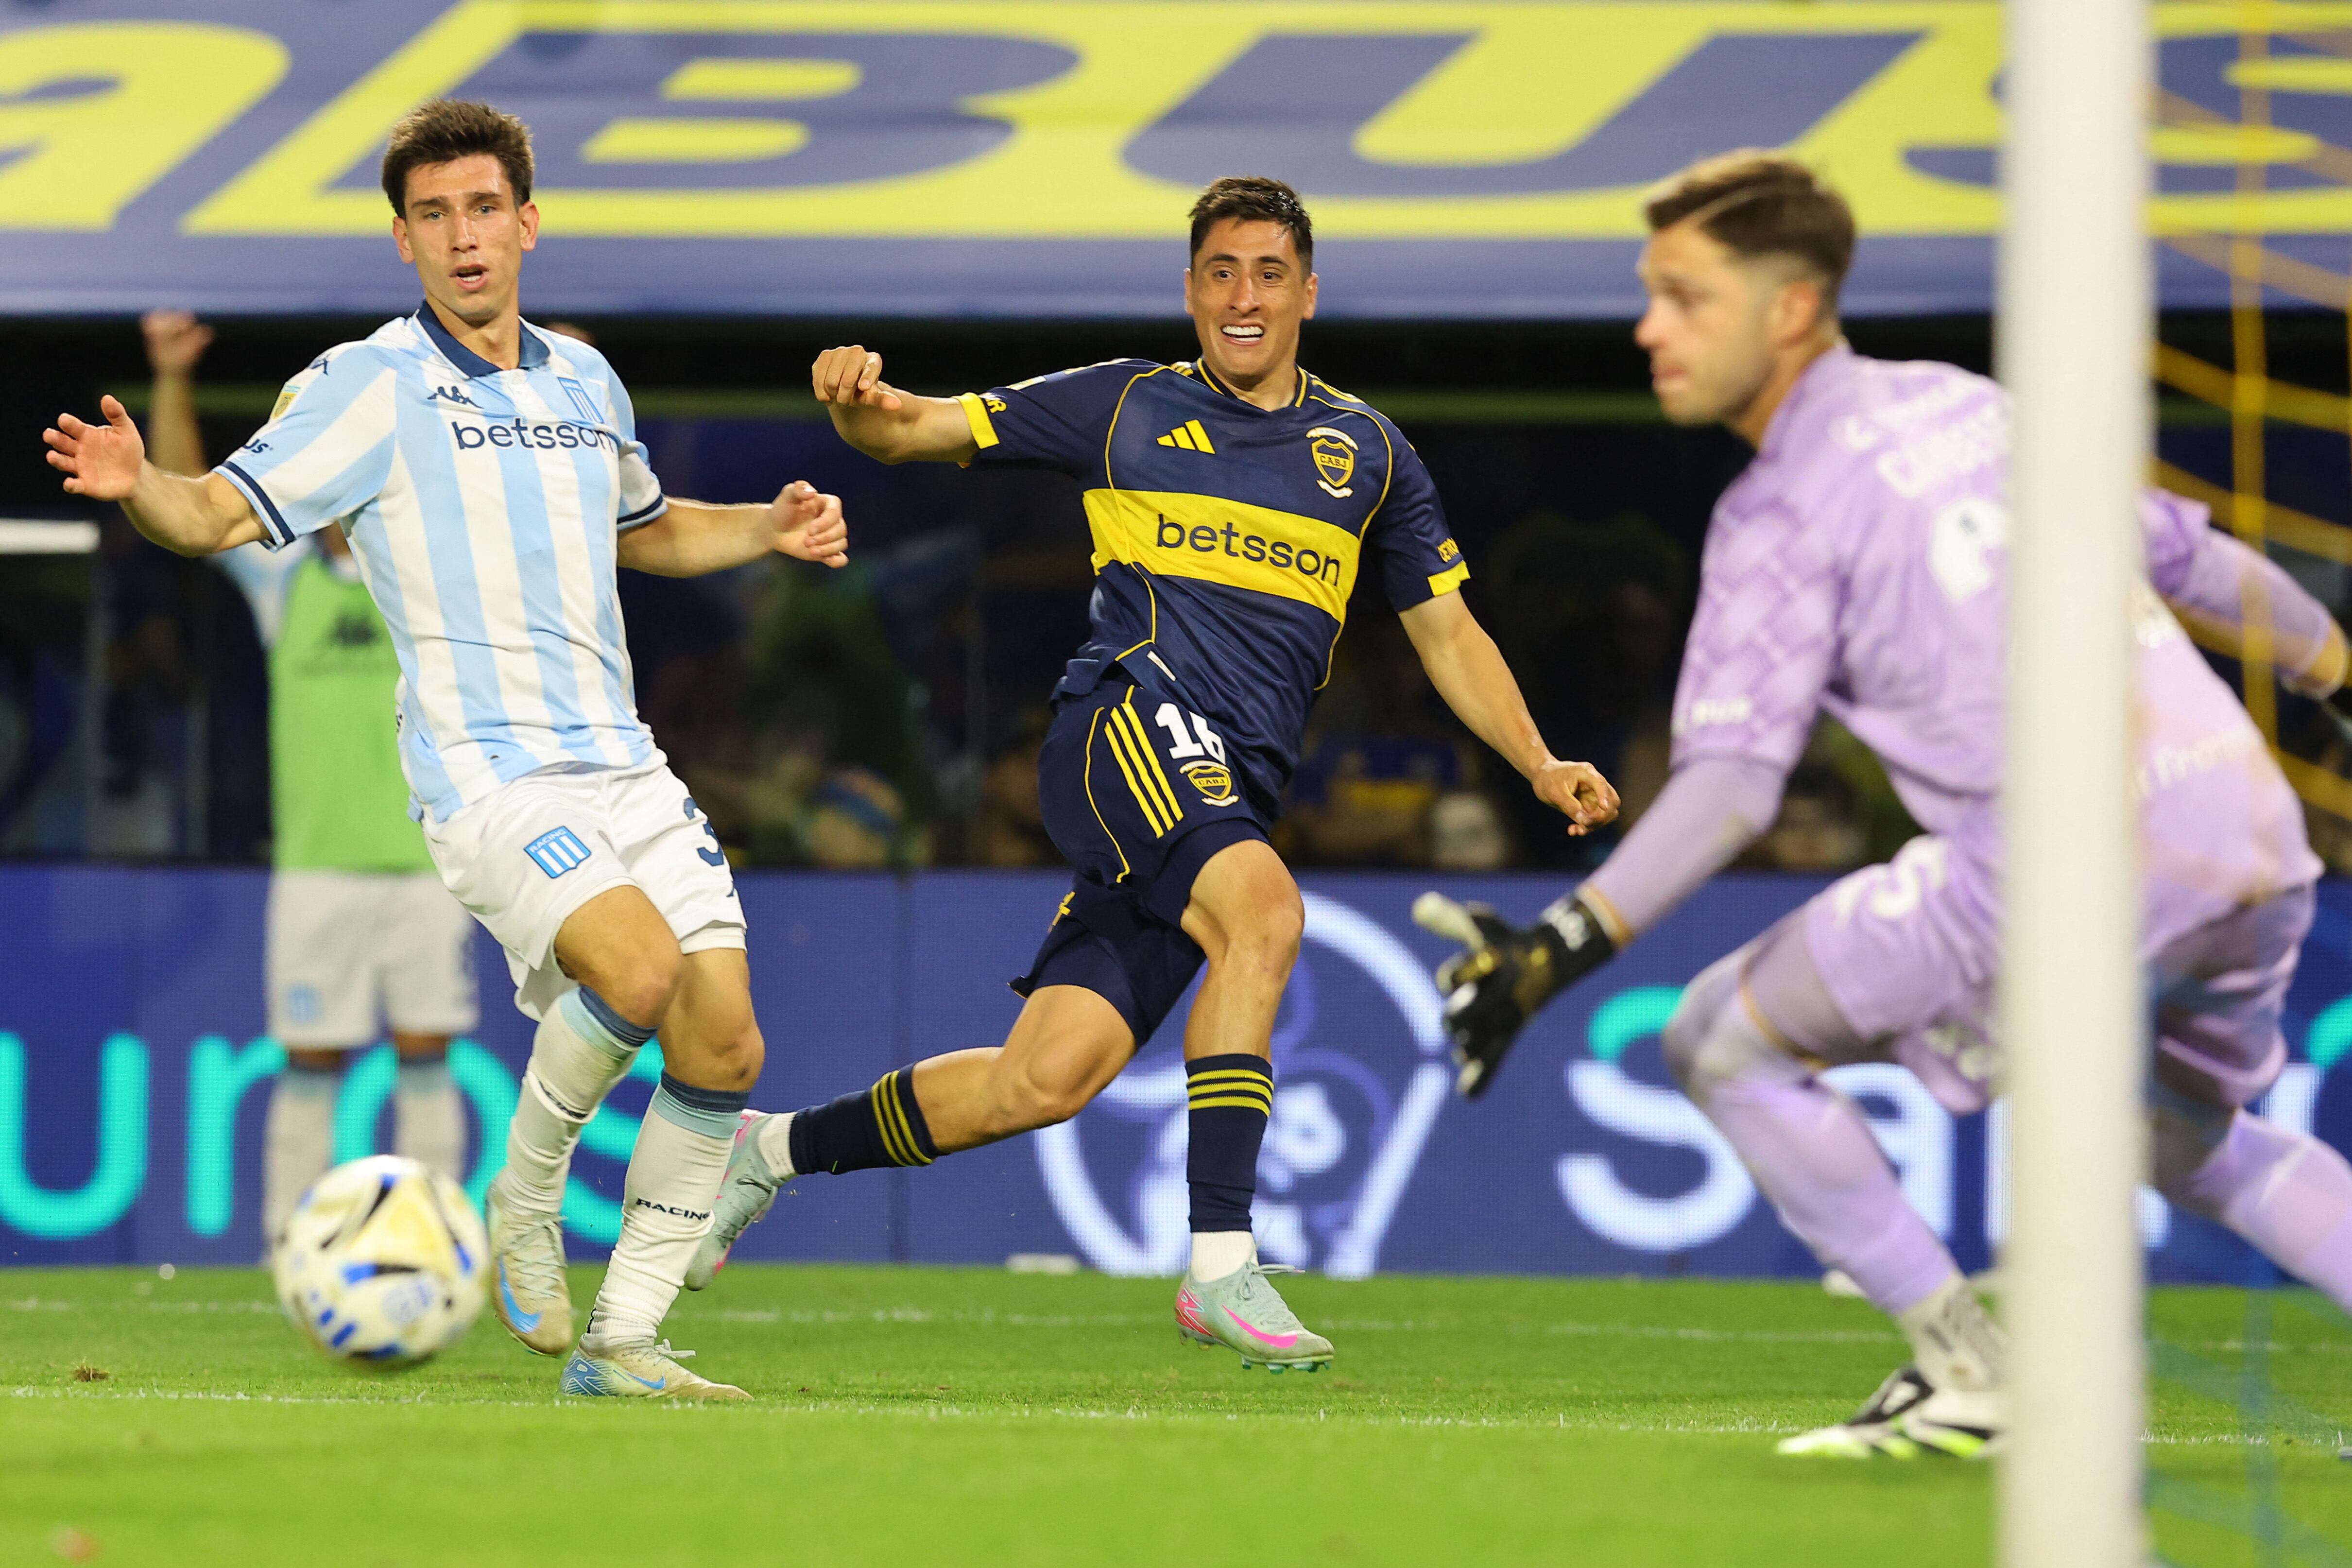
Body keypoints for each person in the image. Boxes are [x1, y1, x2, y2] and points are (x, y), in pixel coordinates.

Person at [1418, 151, 2352, 1457]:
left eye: (1684, 297)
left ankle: (1973, 1372)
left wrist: (1559, 942)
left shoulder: (1780, 509)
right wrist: (2333, 674)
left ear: (1790, 308)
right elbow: (2190, 558)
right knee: (2194, 1144)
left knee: (1718, 1041)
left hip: (2058, 871)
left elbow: (1736, 786)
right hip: (2247, 833)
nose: (1648, 328)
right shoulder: (1972, 407)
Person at [684, 176, 1619, 1370]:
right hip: (1127, 725)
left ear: (1308, 294)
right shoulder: (1124, 405)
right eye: (1221, 272)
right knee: (1266, 910)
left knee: (1045, 1079)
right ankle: (1223, 1263)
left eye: (1269, 274)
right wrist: (853, 400)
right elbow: (913, 427)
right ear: (1190, 289)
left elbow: (1447, 630)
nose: (1243, 297)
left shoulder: (1371, 454)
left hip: (1221, 791)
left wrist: (1538, 761)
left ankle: (765, 1154)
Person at [45, 99, 849, 1401]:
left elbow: (640, 529)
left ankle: (625, 1341)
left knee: (727, 1043)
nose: (464, 237)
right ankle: (522, 1204)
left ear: (527, 222)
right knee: (636, 973)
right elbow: (210, 514)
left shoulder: (586, 379)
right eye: (434, 216)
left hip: (623, 761)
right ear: (405, 242)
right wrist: (142, 478)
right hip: (488, 770)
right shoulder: (367, 386)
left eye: (483, 209)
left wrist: (764, 525)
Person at [142, 308, 477, 1250]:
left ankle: (429, 1240)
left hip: (429, 861)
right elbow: (183, 500)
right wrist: (171, 379)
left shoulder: (426, 571)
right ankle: (292, 1249)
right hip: (319, 867)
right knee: (311, 1061)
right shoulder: (284, 577)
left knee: (426, 1058)